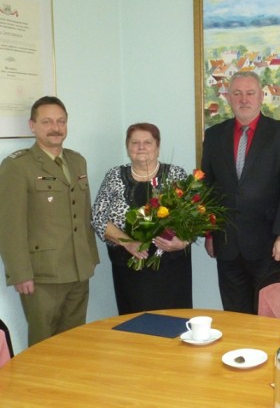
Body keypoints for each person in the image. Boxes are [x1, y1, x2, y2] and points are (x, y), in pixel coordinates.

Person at [0, 96, 99, 346]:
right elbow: (10, 225)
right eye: (47, 121)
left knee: (75, 339)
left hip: (78, 268)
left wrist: (90, 259)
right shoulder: (17, 166)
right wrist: (20, 273)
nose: (56, 127)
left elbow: (84, 213)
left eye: (61, 121)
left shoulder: (77, 161)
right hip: (42, 274)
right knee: (44, 343)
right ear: (32, 125)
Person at [201, 71, 280, 314]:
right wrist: (209, 233)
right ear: (228, 98)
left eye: (249, 93)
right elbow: (208, 190)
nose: (243, 99)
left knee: (271, 311)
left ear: (261, 97)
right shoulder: (214, 135)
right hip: (227, 243)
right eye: (237, 94)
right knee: (234, 312)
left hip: (269, 244)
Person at [91, 123, 193, 315]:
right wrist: (128, 243)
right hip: (129, 267)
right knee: (135, 323)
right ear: (127, 146)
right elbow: (98, 217)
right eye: (135, 142)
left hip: (171, 266)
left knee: (174, 322)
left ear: (158, 146)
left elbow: (193, 216)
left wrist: (183, 242)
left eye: (147, 142)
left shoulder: (175, 174)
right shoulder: (114, 175)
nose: (141, 147)